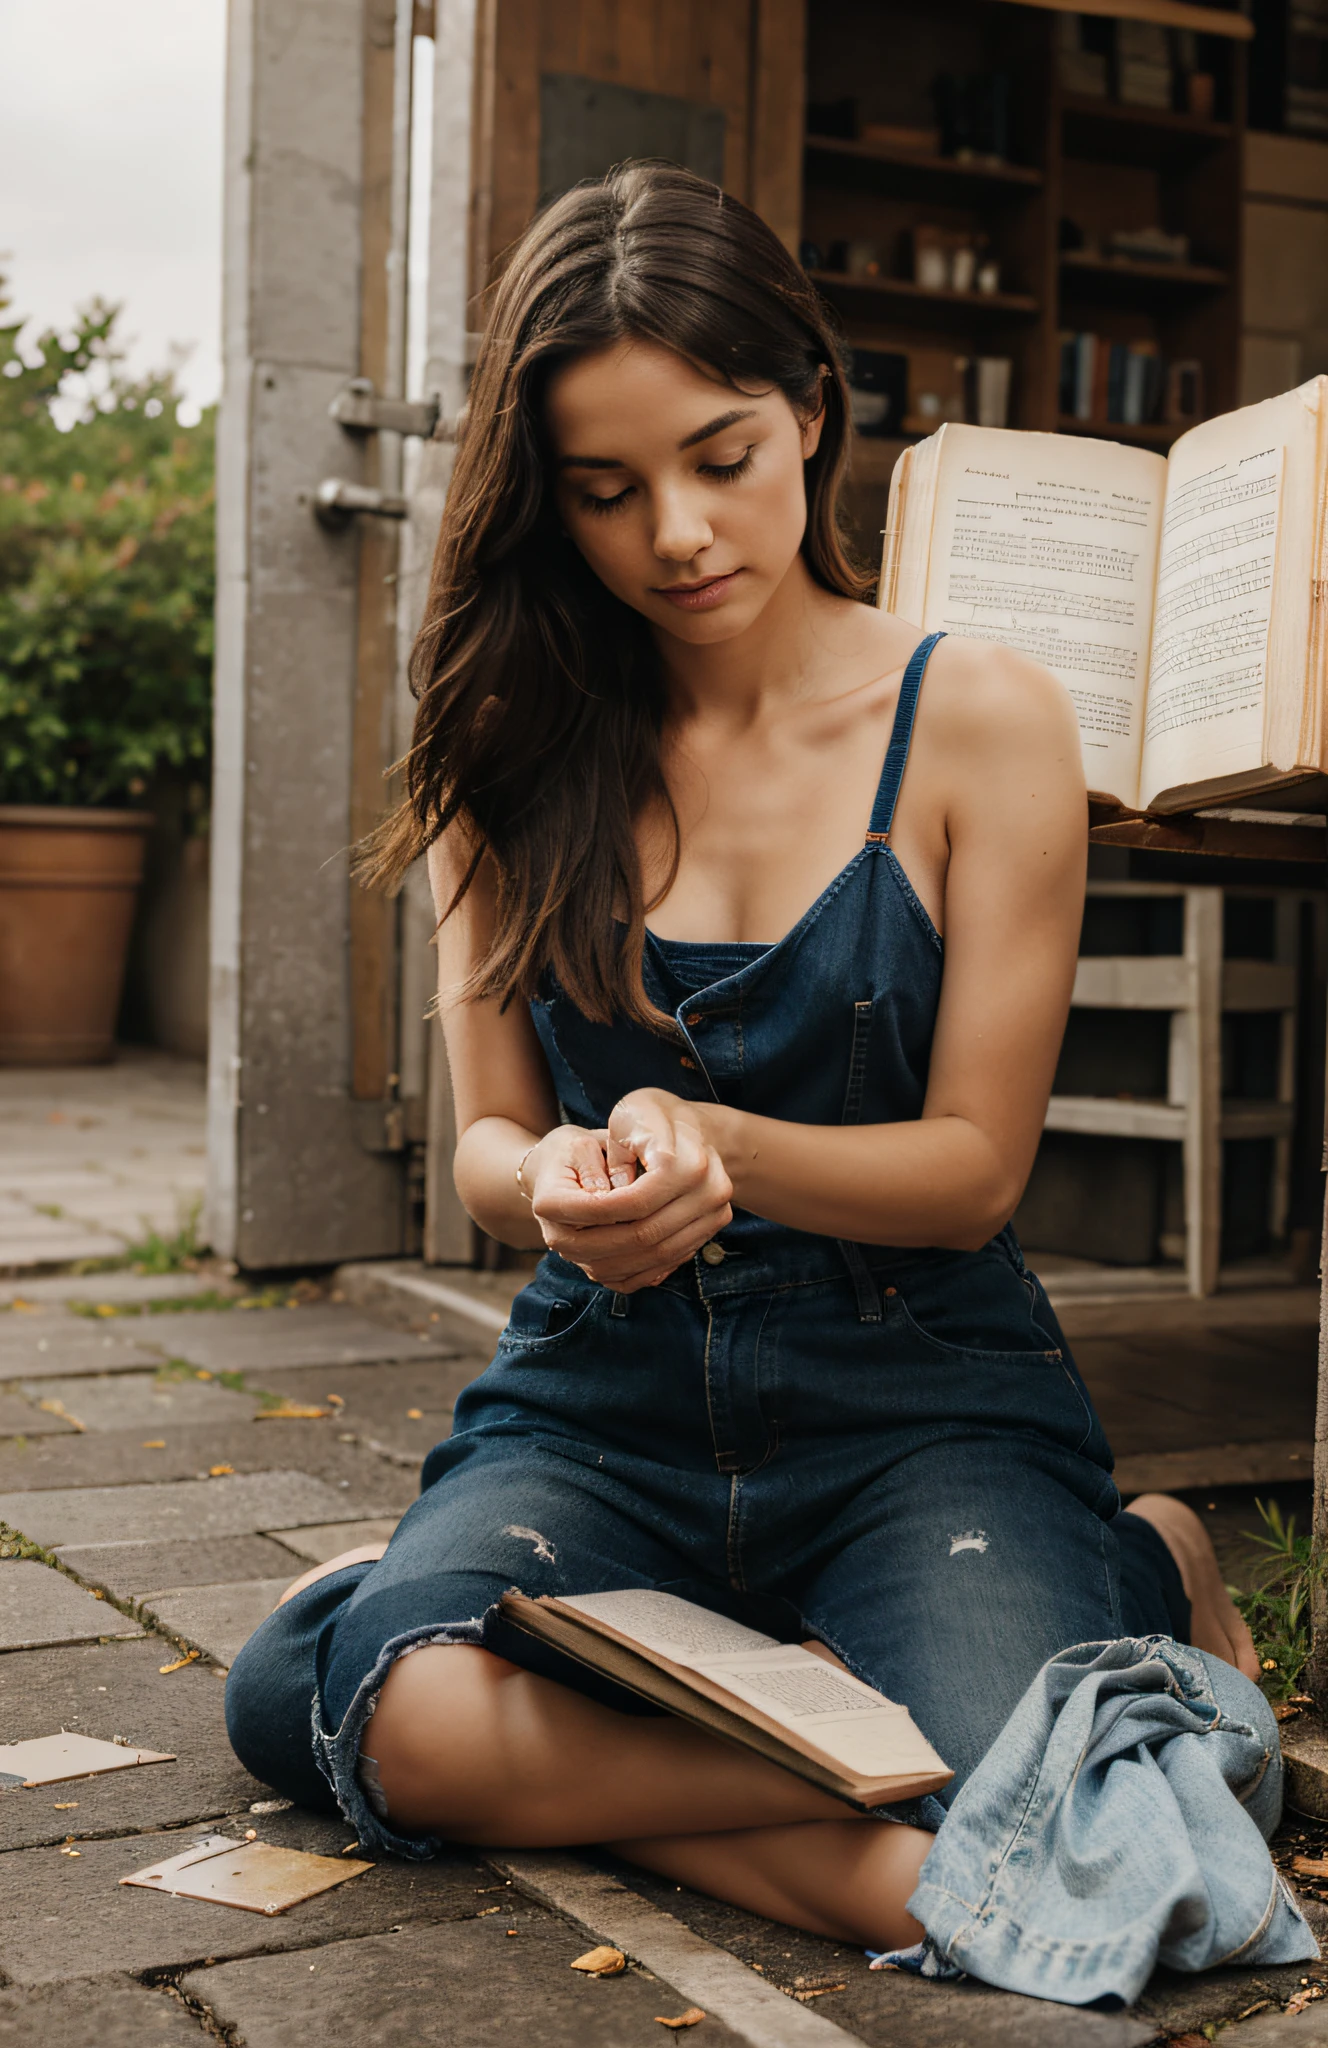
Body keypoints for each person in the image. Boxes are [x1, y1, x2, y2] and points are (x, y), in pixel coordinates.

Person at [226, 160, 1260, 1957]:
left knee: (346, 1708)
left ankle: (1126, 1578)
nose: (679, 535)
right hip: (600, 1398)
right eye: (608, 492)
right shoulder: (508, 734)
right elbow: (485, 1143)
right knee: (395, 1711)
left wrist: (717, 1141)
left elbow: (975, 1174)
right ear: (547, 502)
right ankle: (929, 1813)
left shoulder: (980, 715)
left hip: (915, 1394)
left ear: (813, 414)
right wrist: (549, 1179)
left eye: (723, 457)